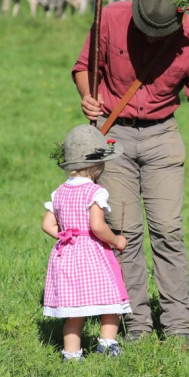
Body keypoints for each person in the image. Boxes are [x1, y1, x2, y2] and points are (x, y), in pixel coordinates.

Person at [72, 0, 189, 351]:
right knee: (124, 232)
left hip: (162, 135)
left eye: (159, 32)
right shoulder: (110, 18)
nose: (150, 37)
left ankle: (179, 328)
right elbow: (84, 66)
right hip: (112, 134)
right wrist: (87, 96)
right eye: (145, 28)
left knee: (168, 231)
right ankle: (137, 324)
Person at [43, 124, 131, 362]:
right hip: (92, 254)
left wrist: (66, 234)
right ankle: (107, 345)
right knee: (111, 299)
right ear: (97, 167)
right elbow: (97, 226)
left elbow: (47, 225)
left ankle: (71, 354)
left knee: (74, 310)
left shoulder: (59, 192)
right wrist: (117, 240)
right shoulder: (95, 192)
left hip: (67, 254)